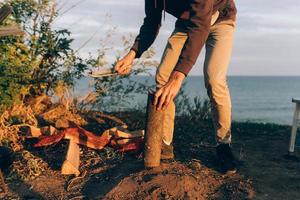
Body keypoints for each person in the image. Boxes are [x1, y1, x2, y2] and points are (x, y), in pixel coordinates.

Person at [115, 0, 237, 174]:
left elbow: (201, 27)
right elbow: (151, 22)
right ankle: (164, 143)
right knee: (163, 76)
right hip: (188, 22)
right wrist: (133, 53)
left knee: (214, 79)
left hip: (221, 18)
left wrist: (178, 76)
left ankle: (223, 145)